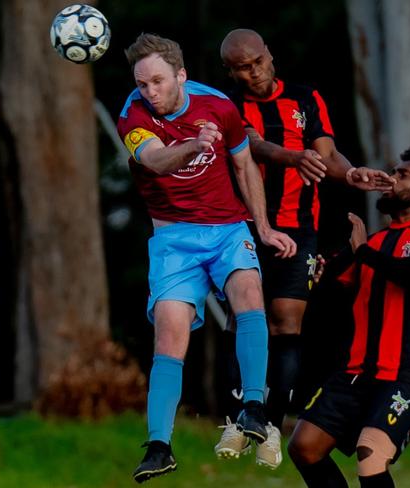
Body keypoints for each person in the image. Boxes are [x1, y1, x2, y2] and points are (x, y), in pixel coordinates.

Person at [116, 33, 297, 484]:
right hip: (174, 240)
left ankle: (253, 408)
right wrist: (195, 146)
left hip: (227, 229)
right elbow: (156, 162)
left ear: (181, 76)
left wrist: (265, 227)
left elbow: (242, 166)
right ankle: (159, 445)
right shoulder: (132, 115)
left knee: (250, 295)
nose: (149, 92)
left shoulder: (218, 106)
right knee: (169, 336)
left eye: (157, 81)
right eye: (142, 84)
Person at [215, 28, 390, 469]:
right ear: (230, 71)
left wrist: (350, 174)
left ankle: (270, 425)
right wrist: (293, 158)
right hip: (246, 227)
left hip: (301, 227)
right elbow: (253, 145)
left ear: (269, 55)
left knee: (288, 323)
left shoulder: (305, 98)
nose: (251, 73)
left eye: (256, 62)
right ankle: (239, 418)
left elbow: (328, 155)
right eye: (240, 67)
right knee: (245, 318)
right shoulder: (228, 105)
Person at [288, 145, 410, 488]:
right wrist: (325, 274)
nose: (393, 179)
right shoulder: (376, 242)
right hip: (356, 373)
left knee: (371, 453)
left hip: (409, 375)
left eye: (403, 174)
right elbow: (341, 294)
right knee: (304, 447)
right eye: (394, 172)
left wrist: (362, 251)